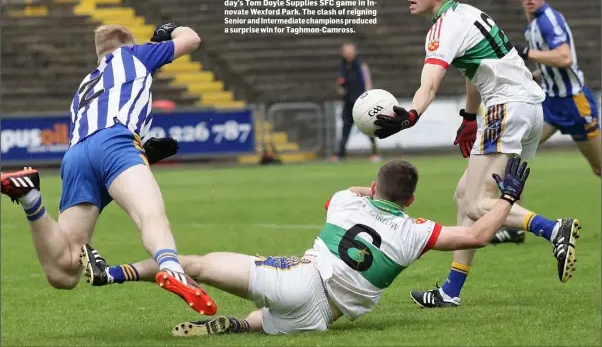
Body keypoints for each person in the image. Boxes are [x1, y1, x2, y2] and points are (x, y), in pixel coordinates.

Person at [84, 157, 532, 336]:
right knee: (279, 311)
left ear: (373, 186)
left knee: (195, 263)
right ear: (410, 200)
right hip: (323, 317)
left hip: (302, 278)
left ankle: (112, 273)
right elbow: (476, 235)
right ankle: (240, 326)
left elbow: (362, 192)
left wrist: (370, 189)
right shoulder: (418, 230)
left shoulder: (343, 199)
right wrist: (507, 197)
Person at [371, 0, 580, 308]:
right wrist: (469, 117)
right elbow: (477, 71)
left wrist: (411, 115)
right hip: (527, 106)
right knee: (463, 195)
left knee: (475, 202)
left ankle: (552, 228)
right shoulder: (467, 13)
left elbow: (430, 83)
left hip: (507, 107)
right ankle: (451, 291)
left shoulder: (443, 28)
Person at [0, 22, 217, 315]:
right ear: (128, 44)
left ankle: (30, 199)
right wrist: (171, 30)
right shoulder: (135, 55)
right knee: (150, 214)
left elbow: (99, 152)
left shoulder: (85, 85)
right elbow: (191, 39)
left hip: (77, 155)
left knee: (65, 270)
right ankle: (170, 267)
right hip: (116, 141)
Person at [490, 0, 601, 245]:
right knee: (511, 157)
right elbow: (548, 65)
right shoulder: (533, 26)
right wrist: (531, 75)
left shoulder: (549, 20)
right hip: (550, 104)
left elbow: (564, 57)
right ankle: (514, 226)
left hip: (574, 102)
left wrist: (525, 53)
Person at [333, 43, 381, 162]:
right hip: (348, 104)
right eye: (346, 50)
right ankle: (340, 155)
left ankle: (375, 153)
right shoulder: (342, 67)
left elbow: (367, 82)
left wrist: (367, 98)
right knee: (345, 130)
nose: (348, 53)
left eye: (350, 50)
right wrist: (341, 89)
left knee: (368, 129)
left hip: (360, 103)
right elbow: (340, 87)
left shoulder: (361, 66)